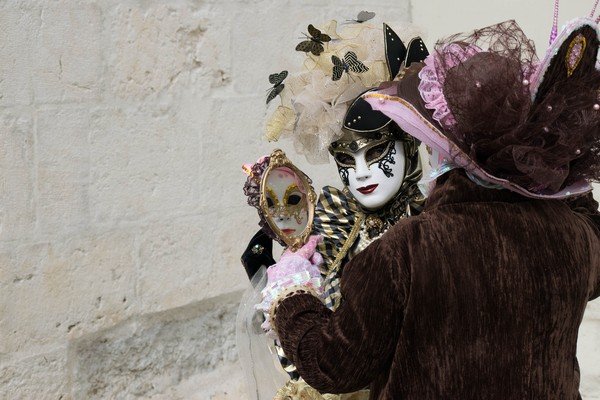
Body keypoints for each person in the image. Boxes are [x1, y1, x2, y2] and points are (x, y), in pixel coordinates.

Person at [264, 9, 600, 399]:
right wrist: (558, 165)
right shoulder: (577, 240)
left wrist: (292, 294)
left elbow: (333, 365)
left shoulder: (409, 248)